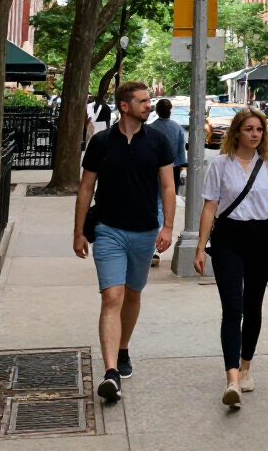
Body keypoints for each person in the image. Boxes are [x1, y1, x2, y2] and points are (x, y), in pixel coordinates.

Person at [74, 81, 175, 403]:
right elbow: (86, 188)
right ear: (125, 106)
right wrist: (78, 231)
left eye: (149, 100)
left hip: (145, 231)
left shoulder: (158, 140)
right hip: (108, 230)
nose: (149, 105)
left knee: (132, 294)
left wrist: (168, 227)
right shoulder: (101, 142)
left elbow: (168, 188)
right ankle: (111, 372)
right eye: (143, 101)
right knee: (112, 298)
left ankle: (123, 347)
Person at [193, 109, 268, 408]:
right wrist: (200, 246)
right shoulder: (221, 164)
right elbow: (210, 207)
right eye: (249, 129)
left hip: (260, 239)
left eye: (259, 130)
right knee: (232, 308)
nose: (254, 134)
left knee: (253, 307)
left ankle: (246, 365)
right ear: (236, 132)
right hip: (227, 239)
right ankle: (232, 378)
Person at [148, 98, 189, 267]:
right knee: (167, 202)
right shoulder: (177, 129)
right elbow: (181, 154)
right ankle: (160, 238)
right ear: (170, 110)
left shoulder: (150, 128)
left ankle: (153, 246)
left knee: (156, 202)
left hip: (152, 170)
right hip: (171, 169)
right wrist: (182, 169)